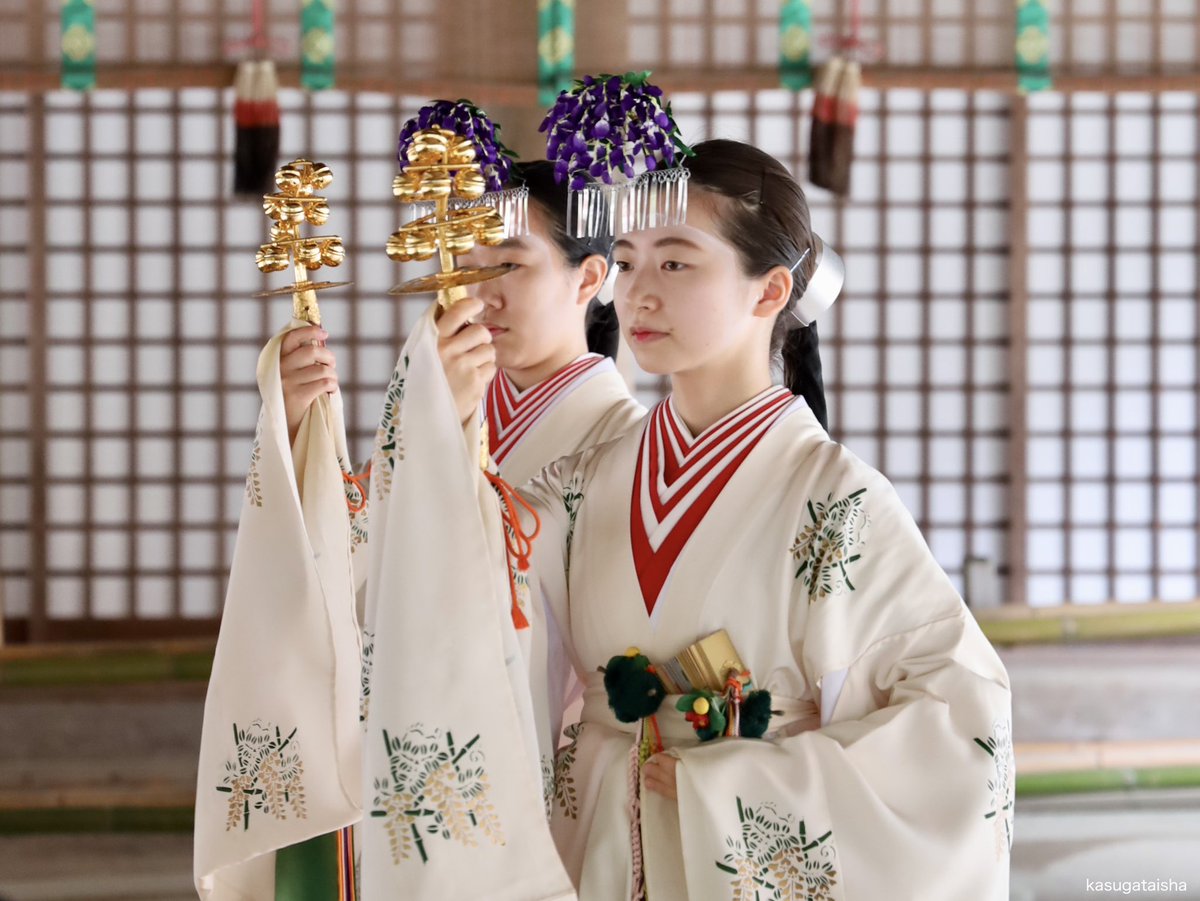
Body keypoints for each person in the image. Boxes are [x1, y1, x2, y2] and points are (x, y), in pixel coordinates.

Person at [440, 138, 1014, 899]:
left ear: (769, 291)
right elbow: (466, 569)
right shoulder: (588, 477)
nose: (637, 293)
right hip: (601, 852)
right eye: (629, 260)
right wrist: (437, 419)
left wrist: (755, 782)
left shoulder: (835, 497)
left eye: (676, 262)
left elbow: (965, 730)